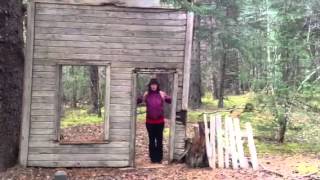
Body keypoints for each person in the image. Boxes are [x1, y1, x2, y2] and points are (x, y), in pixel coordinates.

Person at [137, 78, 172, 163]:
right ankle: (153, 158)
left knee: (159, 139)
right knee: (152, 140)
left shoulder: (161, 94)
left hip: (160, 122)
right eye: (152, 85)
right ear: (150, 86)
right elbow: (138, 101)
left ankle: (159, 158)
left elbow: (170, 100)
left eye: (155, 85)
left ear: (157, 86)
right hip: (150, 122)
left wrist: (166, 96)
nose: (153, 86)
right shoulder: (147, 94)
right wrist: (140, 97)